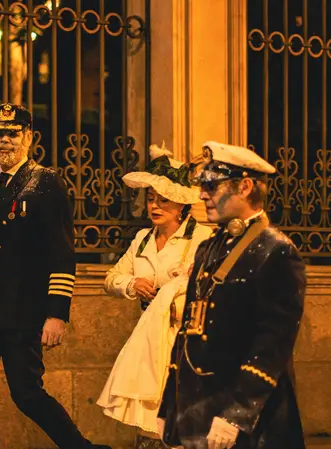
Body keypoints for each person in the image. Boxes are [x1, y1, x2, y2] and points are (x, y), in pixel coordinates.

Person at [0, 103, 110, 449]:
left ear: (29, 137)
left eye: (12, 133)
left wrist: (56, 313)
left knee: (27, 393)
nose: (4, 141)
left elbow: (61, 253)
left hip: (20, 313)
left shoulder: (45, 182)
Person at [157, 141, 307, 449]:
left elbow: (272, 345)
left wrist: (236, 415)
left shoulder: (275, 250)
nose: (202, 195)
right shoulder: (208, 247)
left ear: (245, 187)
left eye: (212, 186)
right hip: (201, 409)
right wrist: (168, 408)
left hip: (252, 422)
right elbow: (188, 332)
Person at [97, 143, 212, 449]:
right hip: (148, 338)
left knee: (183, 412)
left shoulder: (202, 238)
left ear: (181, 204)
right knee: (150, 414)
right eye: (150, 199)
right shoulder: (142, 239)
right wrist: (132, 284)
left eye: (163, 200)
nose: (154, 206)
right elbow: (110, 279)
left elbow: (213, 288)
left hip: (185, 339)